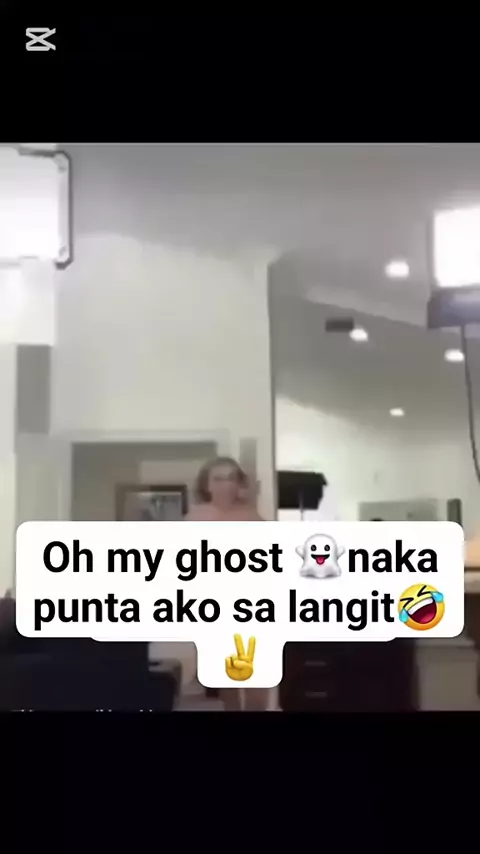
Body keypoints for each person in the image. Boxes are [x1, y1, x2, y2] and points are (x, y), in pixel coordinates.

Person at [185, 456, 270, 711]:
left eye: (231, 478)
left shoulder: (252, 517)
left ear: (239, 484)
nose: (225, 485)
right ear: (207, 485)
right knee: (226, 676)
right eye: (218, 479)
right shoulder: (196, 518)